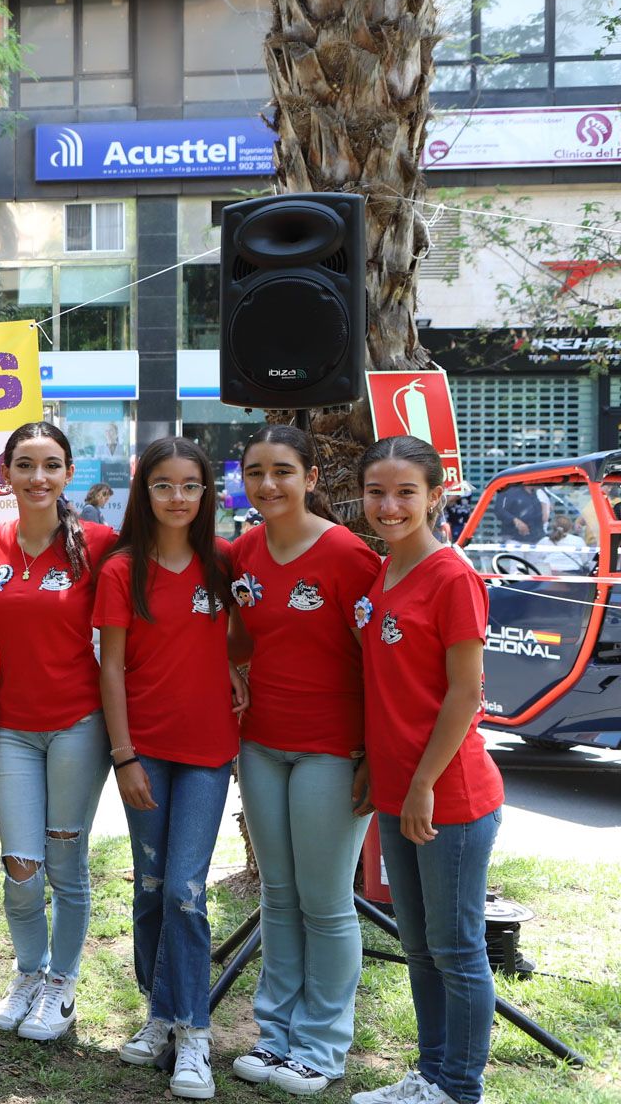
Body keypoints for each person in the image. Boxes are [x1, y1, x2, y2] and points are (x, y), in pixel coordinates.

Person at [227, 425, 381, 1096]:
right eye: (256, 472)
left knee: (324, 903)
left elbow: (382, 659)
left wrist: (374, 751)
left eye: (283, 471)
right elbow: (236, 637)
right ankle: (276, 1036)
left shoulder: (348, 556)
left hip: (330, 748)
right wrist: (230, 670)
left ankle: (320, 1048)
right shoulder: (243, 553)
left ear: (312, 478)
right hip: (261, 744)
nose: (269, 485)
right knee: (280, 898)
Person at [351, 436, 503, 1104]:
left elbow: (465, 695)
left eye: (406, 491)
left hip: (450, 797)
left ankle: (460, 1089)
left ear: (436, 495)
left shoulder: (452, 576)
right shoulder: (382, 572)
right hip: (396, 788)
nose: (389, 505)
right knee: (419, 947)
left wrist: (420, 786)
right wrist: (374, 768)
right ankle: (431, 1075)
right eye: (377, 491)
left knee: (457, 948)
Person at [95, 436, 245, 1099]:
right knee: (152, 887)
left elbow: (249, 635)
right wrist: (123, 755)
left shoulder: (225, 562)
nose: (178, 497)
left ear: (206, 493)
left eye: (191, 485)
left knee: (186, 888)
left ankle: (194, 1034)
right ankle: (159, 1012)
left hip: (209, 754)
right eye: (164, 485)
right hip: (144, 752)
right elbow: (111, 668)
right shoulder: (122, 570)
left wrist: (239, 671)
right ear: (144, 492)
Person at [0, 422, 119, 1042]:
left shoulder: (100, 543)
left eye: (52, 465)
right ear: (5, 473)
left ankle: (62, 982)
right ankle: (28, 973)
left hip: (77, 726)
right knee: (18, 863)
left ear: (68, 474)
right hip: (11, 729)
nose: (39, 477)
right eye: (26, 465)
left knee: (66, 862)